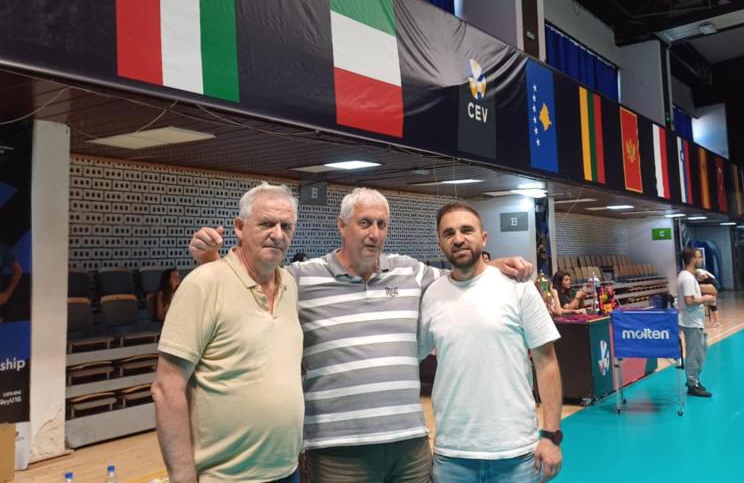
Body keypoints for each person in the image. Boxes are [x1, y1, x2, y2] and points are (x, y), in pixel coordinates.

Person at [188, 187, 533, 483]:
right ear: (342, 225)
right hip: (338, 451)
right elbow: (251, 283)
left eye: (382, 224)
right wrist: (211, 259)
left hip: (409, 445)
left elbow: (461, 274)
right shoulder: (301, 279)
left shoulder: (410, 273)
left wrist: (496, 265)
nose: (374, 233)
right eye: (365, 223)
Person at [152, 183, 303, 483]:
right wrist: (182, 475)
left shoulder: (289, 284)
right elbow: (167, 388)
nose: (277, 234)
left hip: (286, 471)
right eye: (266, 224)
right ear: (239, 227)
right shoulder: (203, 283)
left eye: (286, 226)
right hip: (225, 476)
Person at [419, 203, 562, 483]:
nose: (458, 238)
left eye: (466, 230)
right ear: (440, 244)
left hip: (517, 454)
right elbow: (411, 356)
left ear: (483, 238)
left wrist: (551, 436)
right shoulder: (432, 295)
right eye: (449, 233)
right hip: (452, 456)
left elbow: (547, 363)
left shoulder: (519, 288)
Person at [677, 247, 717, 398]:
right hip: (691, 322)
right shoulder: (687, 278)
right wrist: (705, 299)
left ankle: (695, 380)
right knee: (694, 354)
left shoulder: (688, 276)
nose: (701, 259)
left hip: (695, 321)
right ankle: (692, 384)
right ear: (693, 259)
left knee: (701, 350)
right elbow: (689, 301)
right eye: (699, 256)